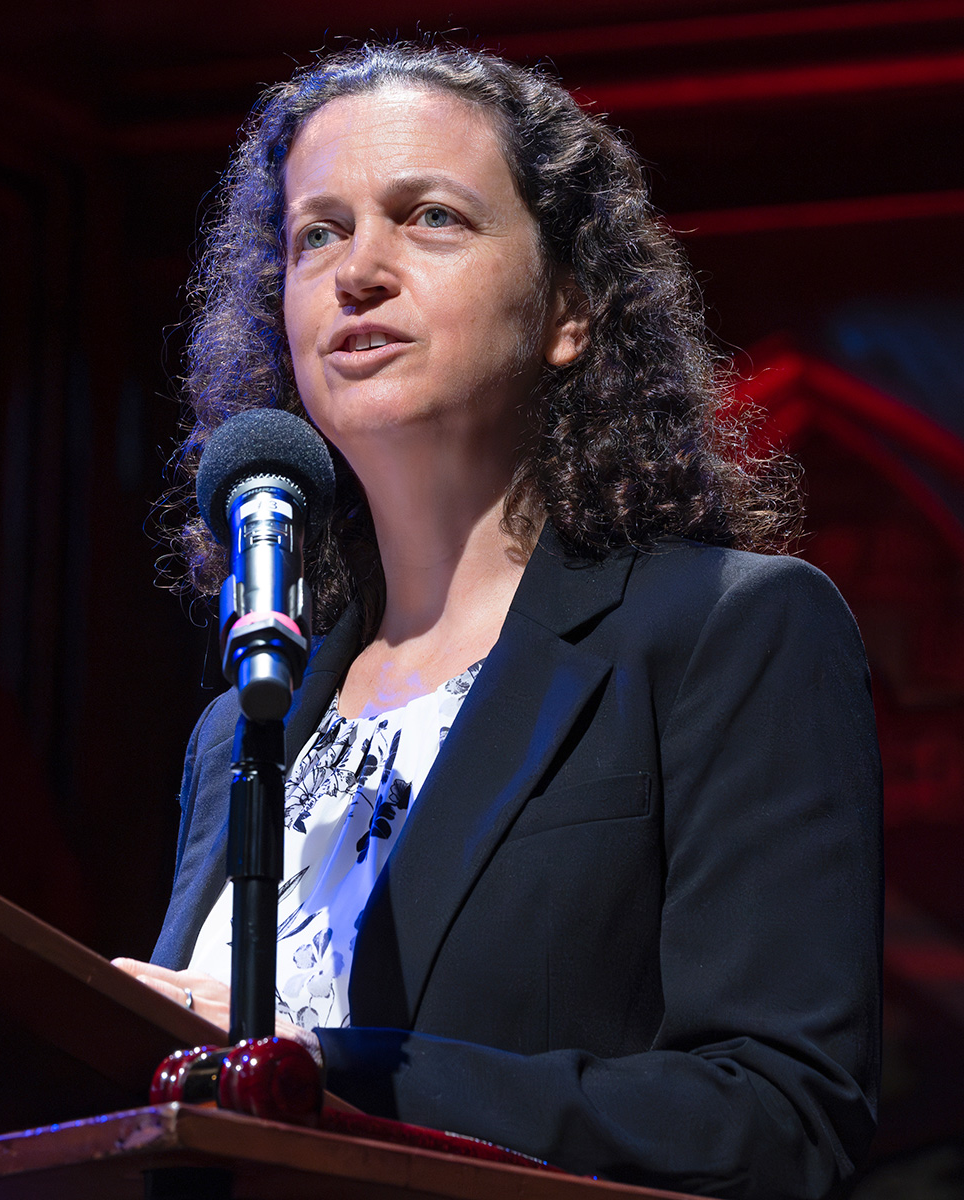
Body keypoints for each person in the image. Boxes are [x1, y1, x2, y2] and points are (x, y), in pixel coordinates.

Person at [112, 42, 882, 1200]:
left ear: (568, 309)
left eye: (427, 217)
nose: (355, 270)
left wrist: (328, 1075)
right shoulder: (245, 722)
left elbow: (779, 1119)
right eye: (316, 232)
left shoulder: (731, 633)